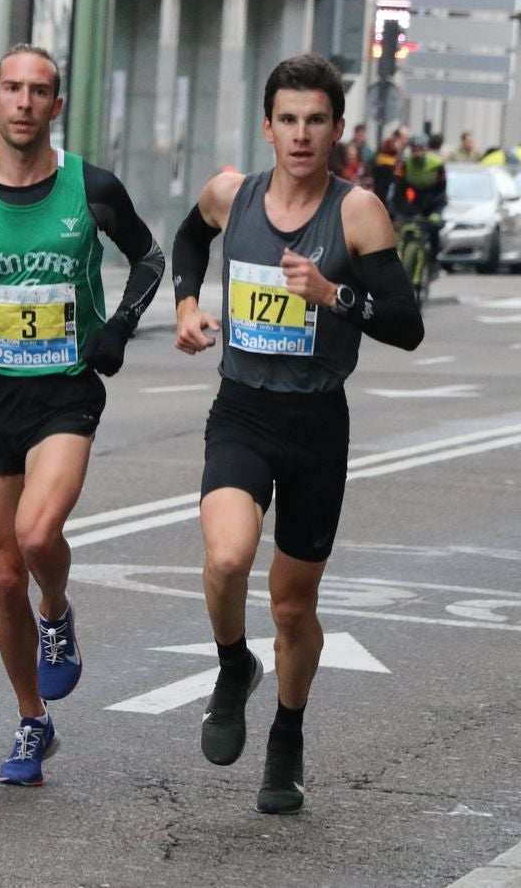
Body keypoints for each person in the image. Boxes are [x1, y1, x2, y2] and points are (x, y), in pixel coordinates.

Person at [172, 53, 424, 814]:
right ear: (268, 126)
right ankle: (229, 664)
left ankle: (287, 734)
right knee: (225, 556)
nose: (302, 134)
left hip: (317, 424)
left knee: (290, 605)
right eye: (289, 119)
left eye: (317, 119)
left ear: (338, 128)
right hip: (243, 410)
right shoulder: (232, 194)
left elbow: (407, 326)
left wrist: (333, 292)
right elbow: (188, 241)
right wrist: (187, 306)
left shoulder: (357, 213)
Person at [0, 45, 163, 786]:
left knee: (34, 534)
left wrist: (119, 325)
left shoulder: (91, 186)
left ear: (57, 106)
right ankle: (33, 719)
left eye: (41, 91)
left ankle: (56, 610)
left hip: (65, 388)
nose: (25, 102)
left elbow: (150, 260)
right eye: (13, 89)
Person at [392, 132, 447, 266]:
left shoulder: (437, 164)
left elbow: (441, 191)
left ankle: (434, 260)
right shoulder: (405, 164)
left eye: (420, 149)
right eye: (414, 149)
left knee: (433, 230)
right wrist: (397, 209)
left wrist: (436, 212)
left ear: (426, 149)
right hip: (414, 201)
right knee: (403, 231)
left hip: (432, 200)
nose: (417, 153)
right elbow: (399, 190)